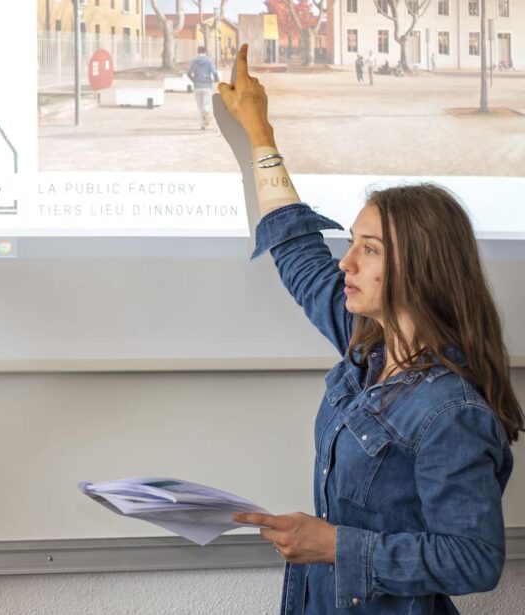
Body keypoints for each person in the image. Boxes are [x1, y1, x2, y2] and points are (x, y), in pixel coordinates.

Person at [218, 44, 521, 613]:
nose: (346, 262)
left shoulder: (451, 411)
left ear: (420, 268)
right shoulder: (367, 352)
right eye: (352, 243)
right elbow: (298, 251)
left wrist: (335, 544)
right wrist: (260, 133)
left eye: (369, 249)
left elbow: (475, 560)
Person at [187, 45, 220, 132]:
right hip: (207, 85)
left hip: (197, 86)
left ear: (198, 52)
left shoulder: (193, 61)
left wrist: (193, 80)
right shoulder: (209, 60)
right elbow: (214, 72)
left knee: (199, 107)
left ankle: (202, 126)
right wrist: (216, 79)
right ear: (205, 52)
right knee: (207, 104)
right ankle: (206, 111)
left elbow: (188, 73)